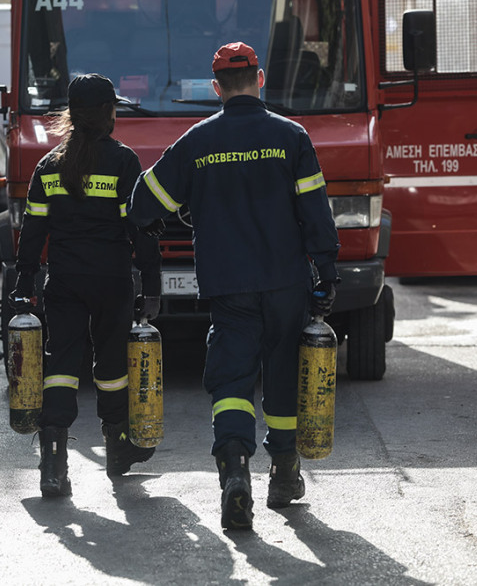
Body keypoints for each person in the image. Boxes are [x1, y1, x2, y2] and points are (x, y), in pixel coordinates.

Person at [127, 42, 340, 530]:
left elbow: (144, 201)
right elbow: (315, 212)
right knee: (283, 375)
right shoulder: (292, 137)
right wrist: (326, 271)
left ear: (217, 87)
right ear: (260, 79)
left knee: (231, 382)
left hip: (228, 287)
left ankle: (235, 472)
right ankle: (284, 474)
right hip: (287, 283)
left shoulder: (198, 141)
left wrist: (171, 215)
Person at [11, 73, 162, 498]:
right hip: (112, 282)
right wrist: (151, 284)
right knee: (112, 368)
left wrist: (25, 282)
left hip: (64, 282)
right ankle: (117, 449)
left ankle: (53, 464)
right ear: (107, 112)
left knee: (61, 365)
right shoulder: (123, 162)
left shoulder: (48, 165)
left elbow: (33, 231)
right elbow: (141, 229)